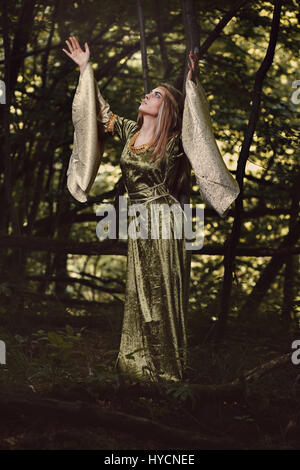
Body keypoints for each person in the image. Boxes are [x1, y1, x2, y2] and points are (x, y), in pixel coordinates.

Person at [63, 36, 240, 384]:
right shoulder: (130, 131)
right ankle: (137, 369)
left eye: (157, 95)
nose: (148, 96)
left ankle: (169, 373)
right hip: (139, 221)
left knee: (162, 294)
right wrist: (86, 68)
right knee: (139, 293)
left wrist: (191, 84)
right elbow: (99, 113)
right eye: (150, 92)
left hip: (166, 220)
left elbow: (196, 129)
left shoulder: (173, 142)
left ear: (168, 109)